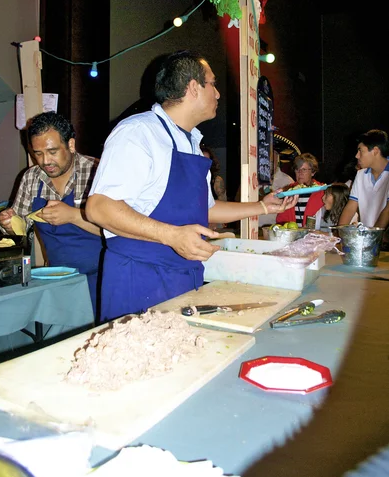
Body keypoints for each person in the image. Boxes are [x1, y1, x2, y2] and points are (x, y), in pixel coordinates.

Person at [86, 50, 298, 322]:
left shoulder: (192, 143)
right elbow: (99, 207)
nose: (218, 94)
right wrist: (173, 236)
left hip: (183, 277)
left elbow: (205, 209)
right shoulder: (139, 132)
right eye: (213, 84)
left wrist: (261, 205)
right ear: (193, 88)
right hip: (140, 279)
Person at [0, 112, 103, 316]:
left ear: (71, 145)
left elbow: (118, 230)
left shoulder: (97, 171)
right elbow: (20, 228)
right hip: (57, 277)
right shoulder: (31, 178)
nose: (45, 161)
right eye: (38, 153)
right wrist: (10, 224)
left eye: (52, 151)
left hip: (102, 277)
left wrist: (73, 216)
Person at [338, 129, 389, 227]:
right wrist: (340, 232)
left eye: (360, 151)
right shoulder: (361, 175)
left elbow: (387, 211)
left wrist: (374, 236)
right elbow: (351, 207)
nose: (357, 156)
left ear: (375, 151)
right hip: (367, 236)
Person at [276, 152, 325, 227]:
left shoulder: (322, 191)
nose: (300, 173)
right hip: (292, 234)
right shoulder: (288, 191)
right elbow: (281, 218)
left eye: (304, 169)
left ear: (313, 172)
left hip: (314, 236)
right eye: (297, 169)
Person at [258, 150, 294, 227]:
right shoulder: (252, 177)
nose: (267, 165)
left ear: (277, 162)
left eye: (270, 162)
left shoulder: (287, 181)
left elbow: (290, 209)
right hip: (253, 226)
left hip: (275, 227)